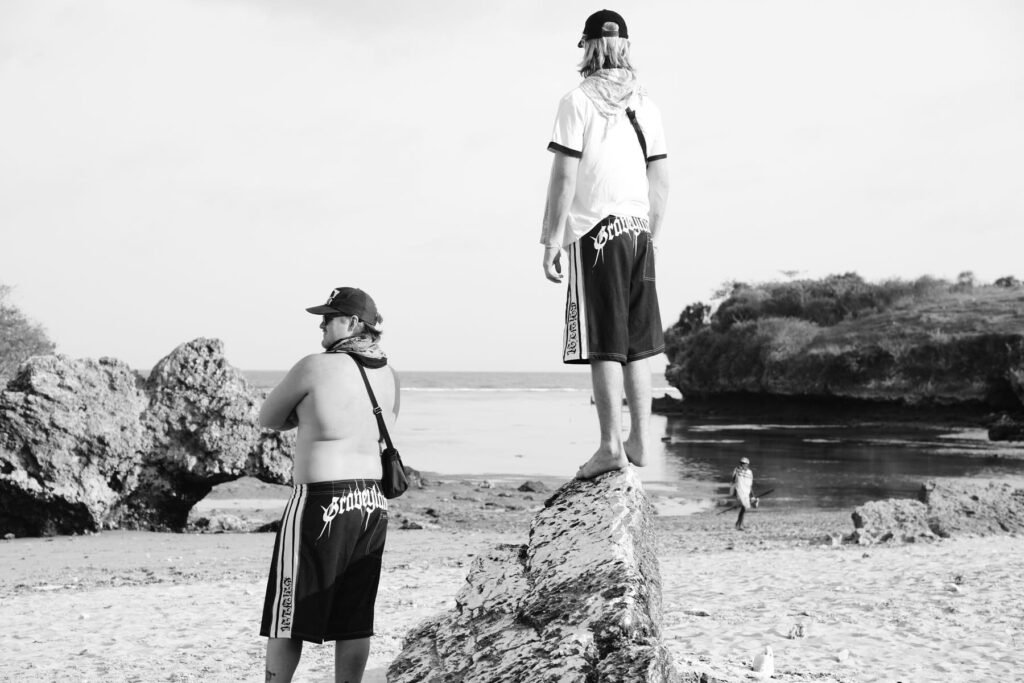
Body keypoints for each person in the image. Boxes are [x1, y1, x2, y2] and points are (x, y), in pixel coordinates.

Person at [540, 9, 670, 479]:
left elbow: (564, 176)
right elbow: (661, 179)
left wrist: (552, 239)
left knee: (604, 344)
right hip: (639, 229)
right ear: (625, 47)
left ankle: (610, 445)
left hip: (597, 230)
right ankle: (639, 439)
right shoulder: (648, 105)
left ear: (589, 47)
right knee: (638, 344)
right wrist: (651, 233)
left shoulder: (576, 102)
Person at [258, 286, 400, 683]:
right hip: (372, 502)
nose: (320, 323)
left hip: (322, 500)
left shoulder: (314, 367)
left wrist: (304, 417)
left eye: (329, 316)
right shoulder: (390, 375)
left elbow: (268, 417)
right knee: (355, 617)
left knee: (288, 611)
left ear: (354, 323)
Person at [730, 457, 754, 531]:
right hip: (740, 491)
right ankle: (739, 525)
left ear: (747, 464)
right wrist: (738, 471)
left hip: (746, 492)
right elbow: (733, 480)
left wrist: (752, 495)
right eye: (741, 463)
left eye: (744, 463)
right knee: (744, 507)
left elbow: (749, 484)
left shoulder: (749, 472)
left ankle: (739, 523)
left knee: (744, 508)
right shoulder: (737, 470)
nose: (742, 464)